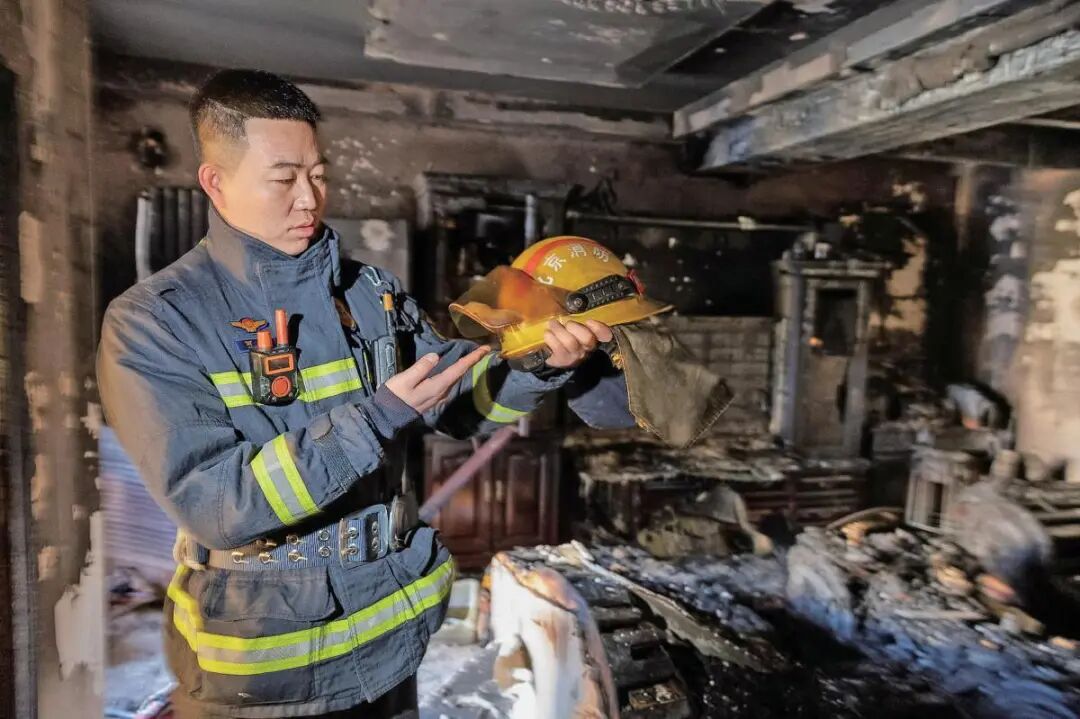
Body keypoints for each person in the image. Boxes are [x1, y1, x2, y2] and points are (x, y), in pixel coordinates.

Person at [97, 69, 627, 719]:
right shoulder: (157, 319)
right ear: (216, 182)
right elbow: (216, 502)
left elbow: (455, 404)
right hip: (265, 674)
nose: (308, 199)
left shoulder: (369, 292)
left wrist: (538, 362)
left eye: (318, 175)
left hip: (389, 643)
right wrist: (376, 418)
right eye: (283, 178)